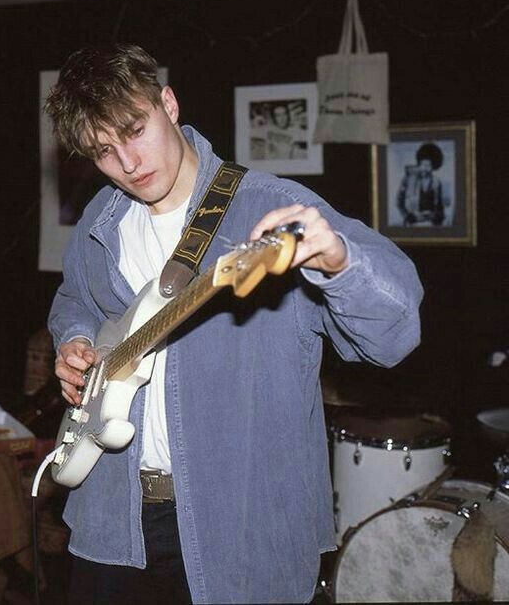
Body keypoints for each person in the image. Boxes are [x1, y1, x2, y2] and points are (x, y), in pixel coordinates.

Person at [44, 44, 423, 604]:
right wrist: (74, 342)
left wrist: (340, 261)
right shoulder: (101, 220)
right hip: (114, 520)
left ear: (168, 104)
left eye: (134, 130)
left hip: (241, 533)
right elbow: (73, 298)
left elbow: (395, 333)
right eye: (103, 151)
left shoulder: (273, 207)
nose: (127, 163)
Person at [396, 142, 446, 226]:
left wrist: (434, 217)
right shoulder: (408, 179)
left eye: (428, 165)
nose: (425, 168)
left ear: (433, 166)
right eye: (423, 165)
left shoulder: (436, 182)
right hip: (412, 225)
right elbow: (399, 201)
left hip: (431, 226)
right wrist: (408, 216)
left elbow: (440, 208)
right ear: (419, 163)